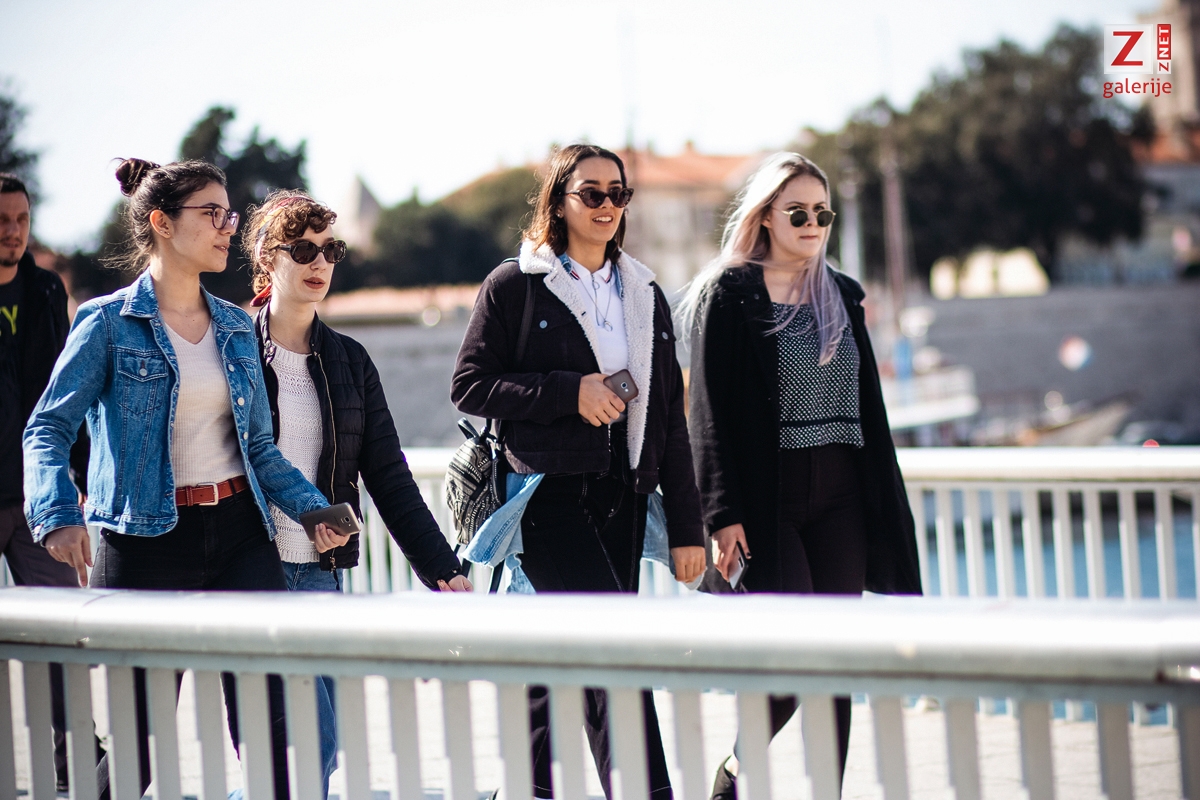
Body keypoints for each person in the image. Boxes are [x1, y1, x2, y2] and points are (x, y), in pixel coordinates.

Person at [23, 158, 334, 800]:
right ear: (162, 223)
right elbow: (48, 427)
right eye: (212, 214)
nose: (227, 228)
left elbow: (259, 448)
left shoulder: (233, 326)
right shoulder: (107, 322)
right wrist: (57, 514)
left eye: (230, 215)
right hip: (145, 540)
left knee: (276, 728)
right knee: (141, 747)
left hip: (240, 534)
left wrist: (313, 508)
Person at [451, 144, 706, 800]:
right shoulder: (515, 284)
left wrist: (688, 526)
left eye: (619, 193)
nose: (607, 205)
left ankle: (528, 791)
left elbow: (669, 418)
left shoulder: (645, 292)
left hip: (624, 493)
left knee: (553, 657)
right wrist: (571, 393)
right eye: (591, 193)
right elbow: (470, 385)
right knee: (613, 648)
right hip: (545, 493)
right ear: (559, 202)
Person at [680, 152, 922, 798]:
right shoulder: (729, 293)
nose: (812, 223)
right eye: (798, 212)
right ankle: (737, 769)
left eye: (822, 213)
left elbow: (868, 406)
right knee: (795, 656)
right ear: (766, 217)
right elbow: (707, 410)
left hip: (843, 495)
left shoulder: (842, 294)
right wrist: (720, 514)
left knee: (837, 657)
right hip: (770, 499)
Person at [244, 189, 473, 797]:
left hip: (320, 572)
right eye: (302, 250)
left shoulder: (349, 360)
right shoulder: (233, 350)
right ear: (267, 257)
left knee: (317, 750)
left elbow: (389, 475)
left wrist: (442, 569)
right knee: (299, 745)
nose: (319, 262)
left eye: (331, 250)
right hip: (249, 568)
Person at [0, 172, 99, 791]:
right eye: (1, 221)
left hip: (37, 497)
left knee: (63, 628)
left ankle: (76, 755)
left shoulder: (44, 290)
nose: (12, 232)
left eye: (21, 220)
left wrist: (81, 477)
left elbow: (69, 396)